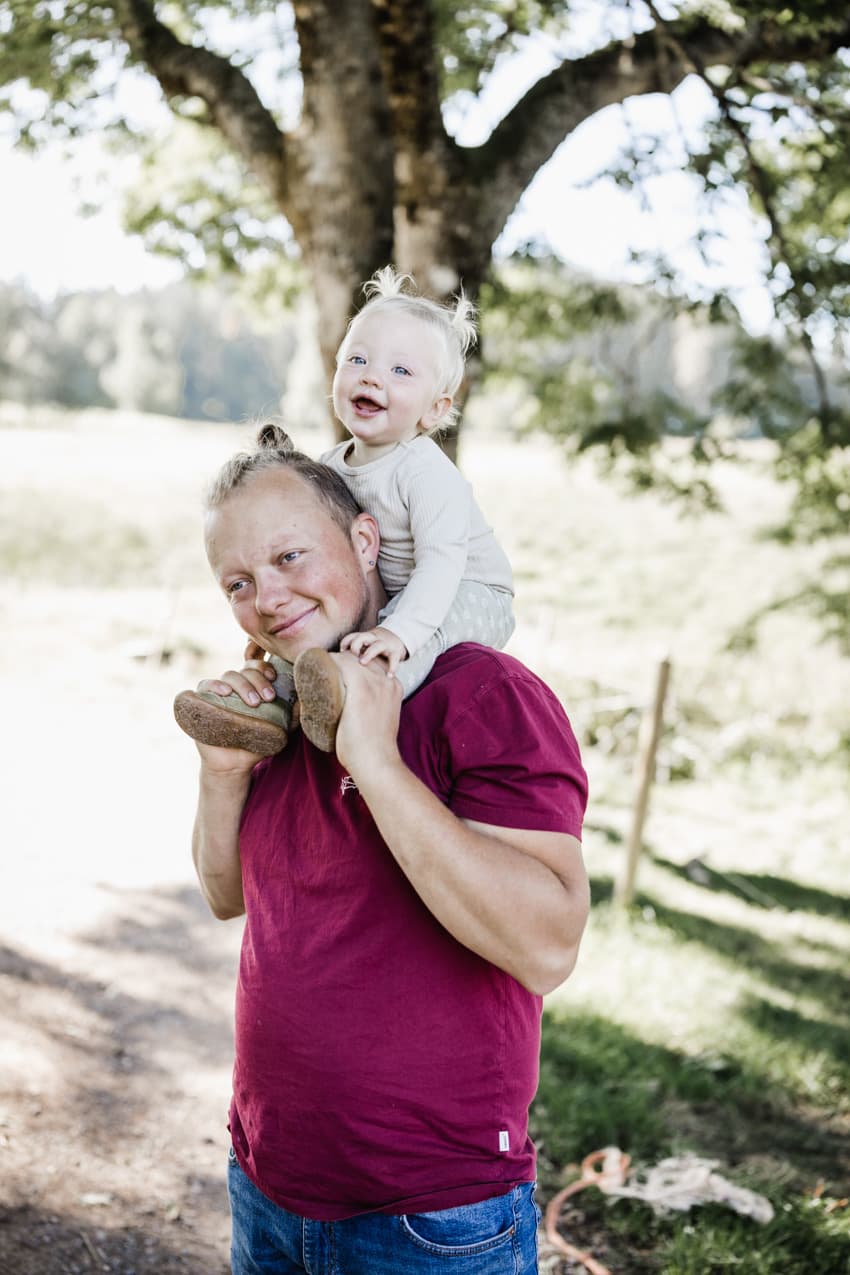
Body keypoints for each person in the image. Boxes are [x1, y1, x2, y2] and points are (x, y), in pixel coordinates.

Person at [185, 427, 590, 1274]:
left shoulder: (482, 692)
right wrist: (224, 772)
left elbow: (547, 943)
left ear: (365, 540)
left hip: (434, 1218)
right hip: (267, 1186)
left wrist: (374, 759)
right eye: (239, 582)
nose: (268, 595)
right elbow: (230, 897)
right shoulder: (289, 709)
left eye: (291, 555)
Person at [174, 267, 514, 756]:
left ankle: (363, 693)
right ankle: (269, 707)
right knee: (327, 635)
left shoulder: (426, 473)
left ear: (435, 410)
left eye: (401, 371)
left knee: (413, 640)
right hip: (407, 592)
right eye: (357, 359)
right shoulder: (333, 464)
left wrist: (397, 631)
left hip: (471, 590)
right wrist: (279, 646)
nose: (372, 376)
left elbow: (442, 564)